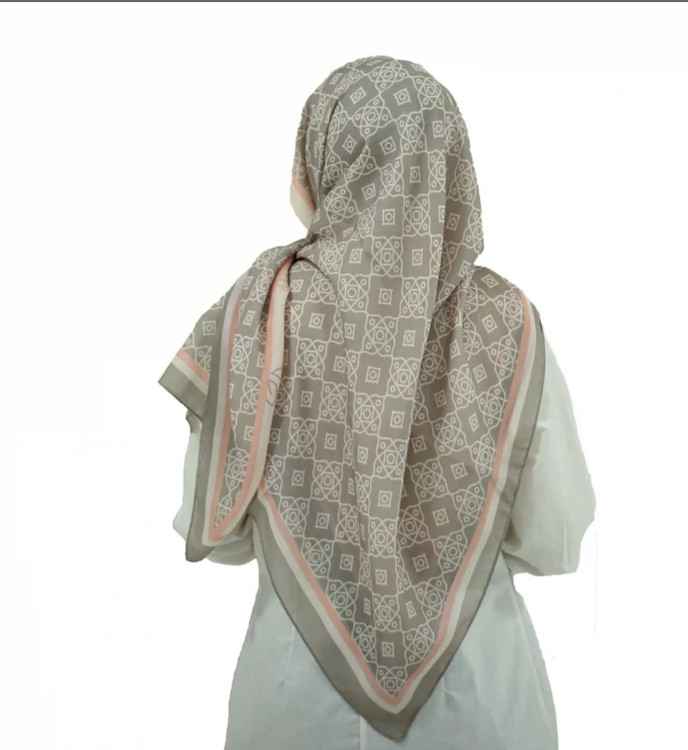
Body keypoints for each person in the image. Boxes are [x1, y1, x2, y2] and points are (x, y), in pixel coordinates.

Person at [158, 55, 596, 750]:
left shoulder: (260, 312)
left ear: (320, 157)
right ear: (453, 162)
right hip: (481, 702)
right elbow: (556, 536)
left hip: (291, 701)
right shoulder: (507, 321)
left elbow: (218, 531)